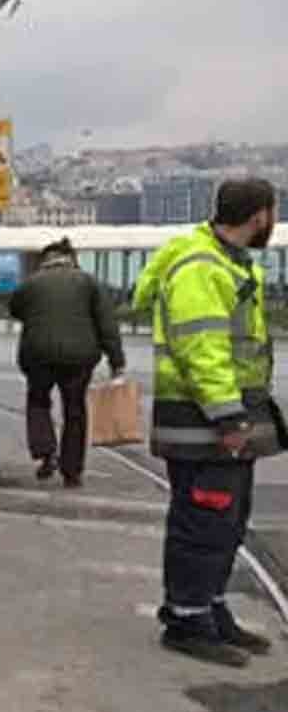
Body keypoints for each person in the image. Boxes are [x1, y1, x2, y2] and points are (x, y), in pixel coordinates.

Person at [142, 178, 284, 666]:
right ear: (261, 215)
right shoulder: (201, 268)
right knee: (204, 519)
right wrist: (228, 416)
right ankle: (186, 619)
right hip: (203, 422)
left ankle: (210, 607)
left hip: (221, 420)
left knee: (226, 521)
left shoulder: (224, 262)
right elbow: (202, 350)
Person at [7, 238, 124, 488]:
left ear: (46, 260)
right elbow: (106, 323)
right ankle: (72, 471)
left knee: (38, 402)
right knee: (75, 411)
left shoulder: (31, 283)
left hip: (37, 355)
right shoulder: (89, 282)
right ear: (71, 258)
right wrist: (117, 361)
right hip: (79, 358)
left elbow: (15, 309)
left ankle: (45, 451)